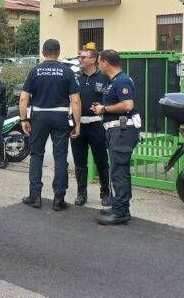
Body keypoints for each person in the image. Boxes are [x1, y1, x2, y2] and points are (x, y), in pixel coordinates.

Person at [19, 39, 81, 211]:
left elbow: (24, 98)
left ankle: (35, 197)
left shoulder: (35, 71)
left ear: (43, 52)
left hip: (39, 116)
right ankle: (58, 199)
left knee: (36, 154)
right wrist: (77, 124)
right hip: (61, 116)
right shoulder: (67, 72)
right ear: (58, 52)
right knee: (60, 156)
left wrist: (24, 119)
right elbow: (75, 101)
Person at [91, 50, 141, 225]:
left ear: (105, 63)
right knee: (119, 171)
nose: (98, 66)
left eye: (98, 62)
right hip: (117, 131)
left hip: (122, 131)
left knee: (119, 171)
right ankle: (120, 206)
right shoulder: (114, 81)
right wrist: (103, 107)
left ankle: (120, 212)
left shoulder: (122, 80)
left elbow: (128, 105)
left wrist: (104, 109)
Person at [70, 43, 113, 207]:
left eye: (83, 57)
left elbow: (110, 100)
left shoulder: (104, 78)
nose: (80, 59)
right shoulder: (75, 77)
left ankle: (106, 193)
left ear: (94, 59)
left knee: (101, 161)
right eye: (79, 56)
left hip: (97, 126)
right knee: (79, 162)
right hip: (78, 125)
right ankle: (82, 193)